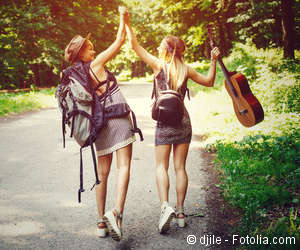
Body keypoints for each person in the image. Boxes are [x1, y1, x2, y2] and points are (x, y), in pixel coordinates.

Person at [124, 14, 220, 233]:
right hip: (183, 121)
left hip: (164, 122)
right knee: (180, 167)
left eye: (161, 45)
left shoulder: (159, 66)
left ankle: (164, 206)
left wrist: (128, 22)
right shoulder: (186, 69)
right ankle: (181, 212)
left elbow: (134, 45)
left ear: (167, 50)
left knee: (161, 166)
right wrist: (213, 62)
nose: (158, 48)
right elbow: (210, 81)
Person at [64, 6, 136, 241]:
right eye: (89, 48)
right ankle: (116, 213)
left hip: (99, 125)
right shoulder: (97, 65)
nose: (93, 50)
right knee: (123, 166)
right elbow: (120, 39)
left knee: (102, 174)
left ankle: (100, 222)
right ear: (80, 53)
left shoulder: (75, 74)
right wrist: (123, 17)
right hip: (118, 117)